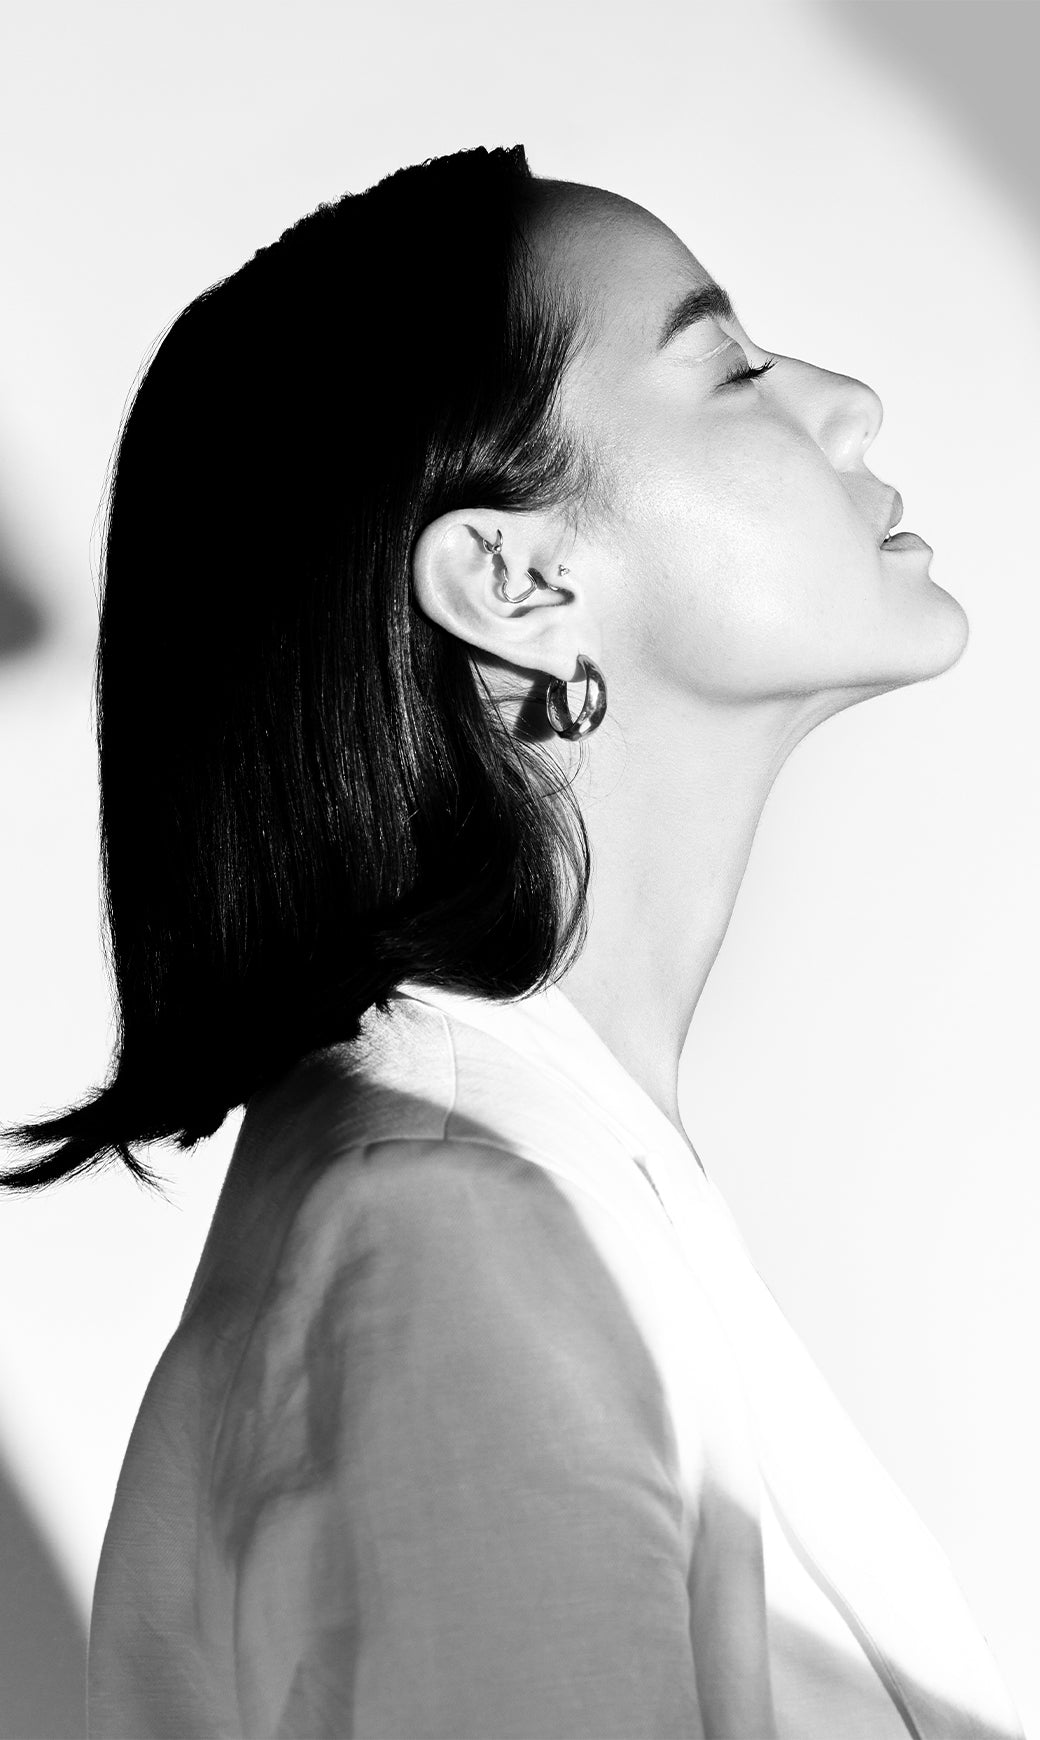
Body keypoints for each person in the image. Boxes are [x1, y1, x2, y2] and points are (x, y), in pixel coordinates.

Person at [0, 143, 1025, 1739]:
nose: (848, 404)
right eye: (734, 369)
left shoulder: (539, 1175)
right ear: (514, 580)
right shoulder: (449, 1224)